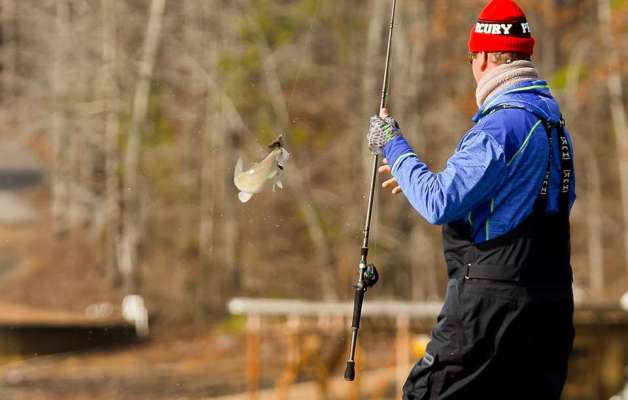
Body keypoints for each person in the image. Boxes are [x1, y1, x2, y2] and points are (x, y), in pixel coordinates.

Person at [367, 0, 576, 398]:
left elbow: (439, 202)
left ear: (481, 57)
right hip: (552, 306)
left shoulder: (501, 126)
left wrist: (391, 142)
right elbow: (531, 204)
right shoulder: (553, 123)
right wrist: (412, 178)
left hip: (491, 308)